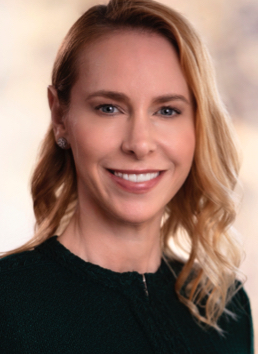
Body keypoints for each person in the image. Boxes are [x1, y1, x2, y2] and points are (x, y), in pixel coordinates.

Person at [0, 0, 254, 352]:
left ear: (198, 124)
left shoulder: (226, 307)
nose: (139, 143)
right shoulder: (8, 303)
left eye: (167, 110)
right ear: (60, 116)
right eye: (109, 108)